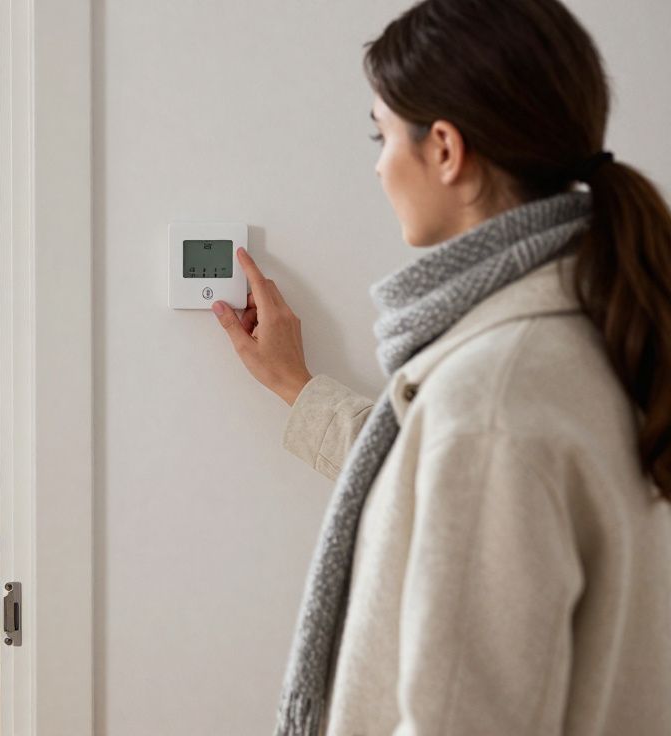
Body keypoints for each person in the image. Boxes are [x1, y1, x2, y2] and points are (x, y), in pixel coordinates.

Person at [210, 0, 671, 733]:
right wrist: (295, 385)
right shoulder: (598, 331)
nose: (378, 163)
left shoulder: (490, 400)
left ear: (446, 149)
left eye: (382, 133)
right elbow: (426, 474)